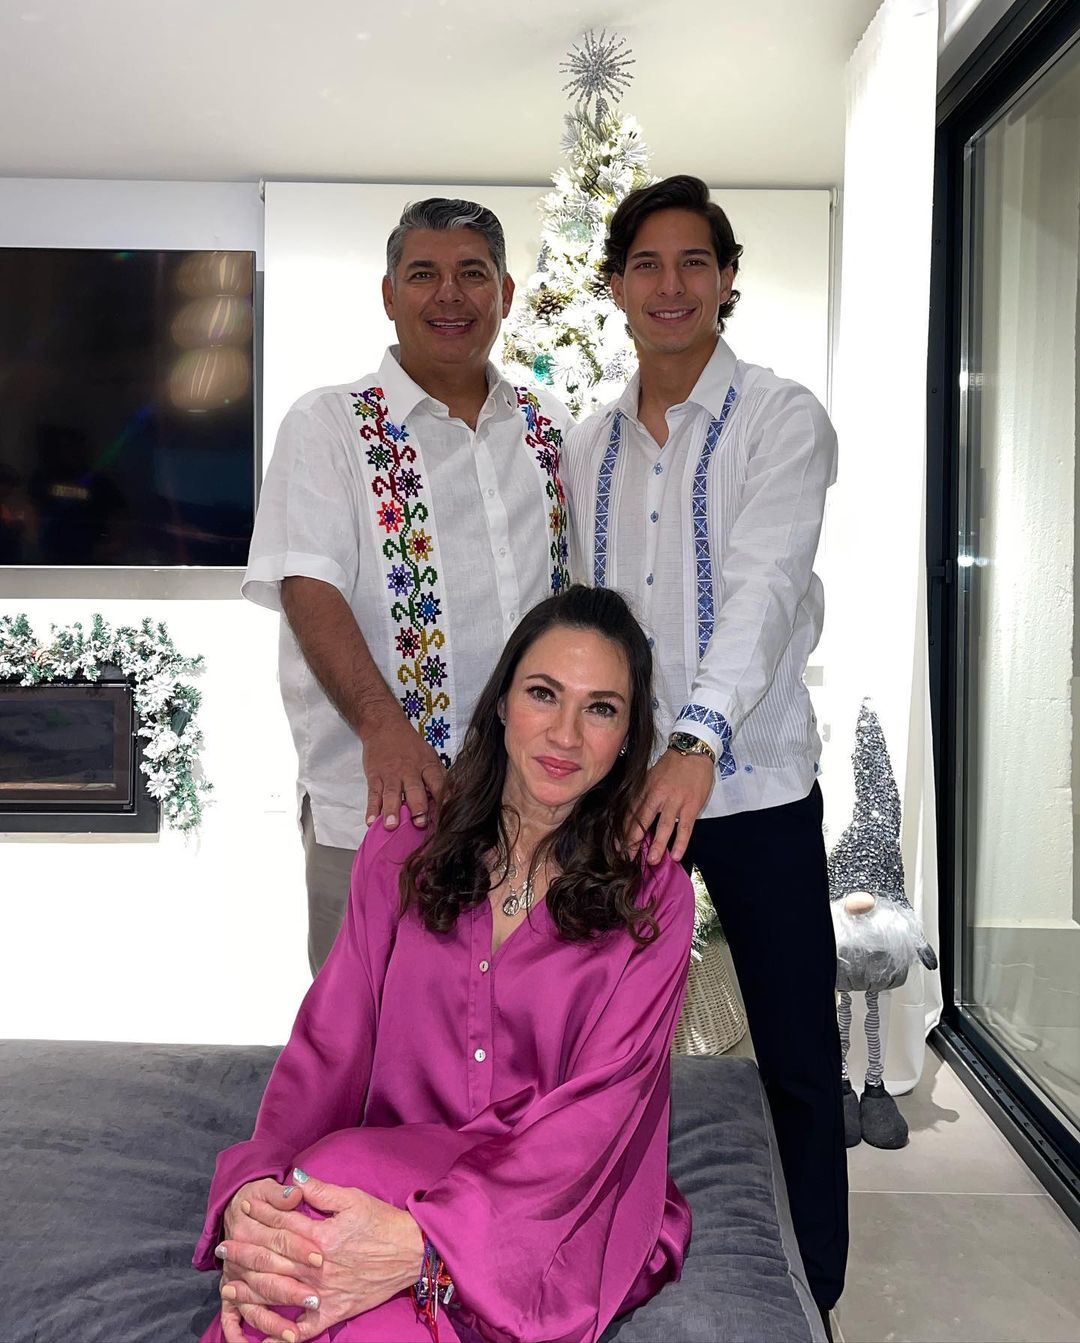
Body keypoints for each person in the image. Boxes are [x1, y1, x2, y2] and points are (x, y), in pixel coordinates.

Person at [193, 584, 694, 1343]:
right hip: (387, 1171)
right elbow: (328, 1048)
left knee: (319, 1244)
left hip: (555, 1213)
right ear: (501, 703)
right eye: (542, 693)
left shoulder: (653, 893)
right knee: (303, 1217)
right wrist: (259, 1184)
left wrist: (426, 1243)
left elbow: (597, 1123)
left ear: (628, 735)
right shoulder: (403, 848)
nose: (564, 733)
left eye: (600, 708)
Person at [564, 175, 847, 1322]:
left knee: (792, 1050)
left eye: (695, 262)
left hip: (756, 785)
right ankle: (595, 1254)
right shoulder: (584, 444)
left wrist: (696, 739)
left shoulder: (783, 419)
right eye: (647, 264)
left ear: (728, 280)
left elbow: (768, 587)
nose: (671, 285)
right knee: (592, 1040)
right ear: (619, 286)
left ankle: (812, 1287)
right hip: (615, 792)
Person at [244, 198, 572, 972]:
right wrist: (384, 729)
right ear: (390, 295)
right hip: (380, 808)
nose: (449, 295)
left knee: (514, 1033)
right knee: (363, 1032)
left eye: (472, 274)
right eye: (423, 274)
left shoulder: (548, 425)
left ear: (506, 294)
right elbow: (308, 587)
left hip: (530, 812)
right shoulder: (329, 425)